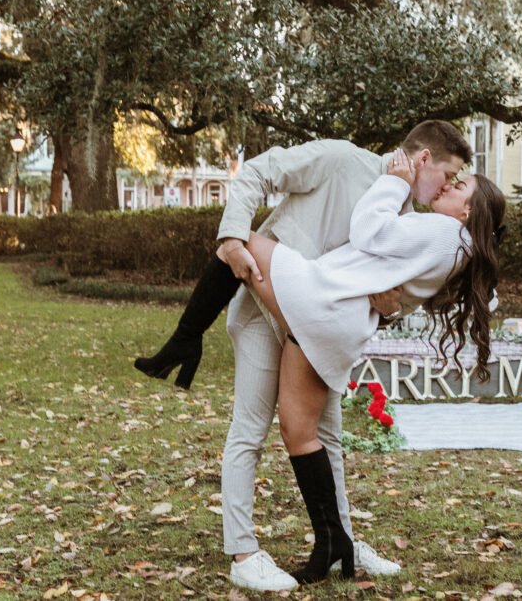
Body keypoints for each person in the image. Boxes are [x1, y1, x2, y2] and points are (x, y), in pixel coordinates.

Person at [134, 121, 472, 591]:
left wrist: (392, 309)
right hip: (263, 309)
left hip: (318, 328)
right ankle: (243, 552)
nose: (447, 188)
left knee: (327, 437)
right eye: (448, 175)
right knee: (250, 429)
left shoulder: (407, 213)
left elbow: (399, 290)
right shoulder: (341, 160)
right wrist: (232, 237)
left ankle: (342, 545)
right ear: (423, 161)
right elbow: (255, 172)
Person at [225, 151, 505, 583]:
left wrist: (394, 183)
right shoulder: (453, 245)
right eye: (451, 176)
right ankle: (336, 542)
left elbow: (368, 230)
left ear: (467, 211)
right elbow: (395, 284)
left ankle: (183, 338)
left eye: (458, 183)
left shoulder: (446, 230)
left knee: (236, 239)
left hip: (319, 302)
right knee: (305, 434)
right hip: (338, 323)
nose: (449, 184)